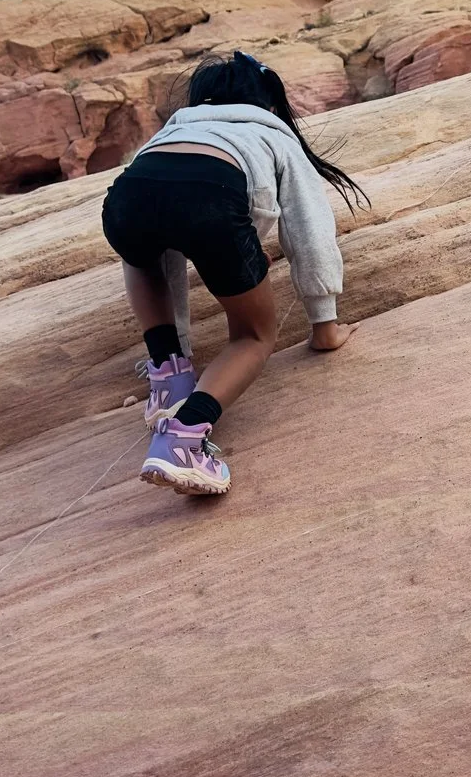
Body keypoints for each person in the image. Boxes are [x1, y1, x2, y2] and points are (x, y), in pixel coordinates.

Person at [100, 51, 365, 496]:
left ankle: (169, 373)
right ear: (271, 104)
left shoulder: (174, 130)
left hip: (125, 200)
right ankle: (183, 440)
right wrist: (325, 325)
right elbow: (310, 232)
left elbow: (165, 248)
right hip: (213, 200)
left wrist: (181, 342)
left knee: (141, 251)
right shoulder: (273, 133)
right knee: (253, 337)